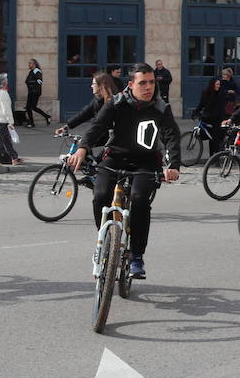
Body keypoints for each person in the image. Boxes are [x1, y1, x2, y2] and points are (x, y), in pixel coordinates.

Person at [69, 64, 181, 280]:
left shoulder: (160, 107)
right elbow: (97, 127)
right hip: (114, 158)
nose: (148, 87)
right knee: (100, 196)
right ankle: (104, 239)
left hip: (146, 163)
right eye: (142, 83)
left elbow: (171, 136)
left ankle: (137, 255)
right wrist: (83, 148)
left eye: (151, 82)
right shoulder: (116, 103)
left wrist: (173, 165)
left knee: (140, 201)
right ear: (131, 85)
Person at [0, 73, 21, 166]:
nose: (7, 82)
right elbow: (6, 110)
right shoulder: (3, 94)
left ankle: (14, 158)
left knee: (6, 140)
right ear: (3, 83)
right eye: (6, 81)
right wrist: (11, 122)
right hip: (2, 119)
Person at [194, 77, 227, 155]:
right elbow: (201, 104)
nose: (218, 86)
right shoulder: (206, 93)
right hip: (208, 117)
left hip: (217, 117)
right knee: (208, 136)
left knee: (215, 137)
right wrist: (196, 112)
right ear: (212, 85)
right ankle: (212, 156)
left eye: (219, 84)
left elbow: (220, 108)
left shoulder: (220, 94)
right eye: (217, 84)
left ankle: (216, 156)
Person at [23, 59, 51, 127]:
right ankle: (32, 123)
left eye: (30, 63)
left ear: (34, 64)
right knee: (28, 107)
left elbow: (40, 81)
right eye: (28, 63)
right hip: (31, 92)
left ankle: (47, 116)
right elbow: (27, 81)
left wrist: (30, 82)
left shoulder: (37, 71)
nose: (29, 65)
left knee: (33, 107)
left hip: (35, 92)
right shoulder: (31, 71)